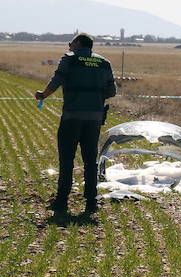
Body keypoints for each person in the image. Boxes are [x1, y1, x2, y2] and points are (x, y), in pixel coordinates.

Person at [34, 33, 116, 221]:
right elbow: (112, 91)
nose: (69, 46)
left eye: (70, 43)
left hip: (72, 116)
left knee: (67, 160)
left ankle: (62, 201)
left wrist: (43, 95)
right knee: (90, 160)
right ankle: (91, 202)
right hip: (94, 118)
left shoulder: (69, 59)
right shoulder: (104, 62)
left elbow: (57, 80)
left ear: (78, 44)